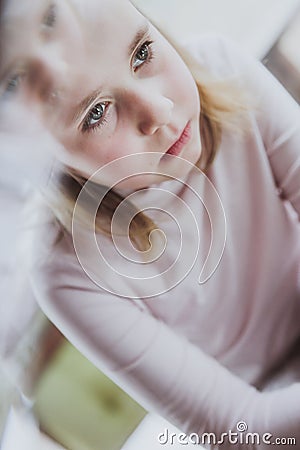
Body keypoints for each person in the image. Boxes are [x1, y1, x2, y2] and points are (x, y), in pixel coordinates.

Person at [0, 0, 299, 448]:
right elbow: (242, 428)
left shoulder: (221, 66)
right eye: (96, 113)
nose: (158, 111)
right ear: (54, 162)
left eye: (141, 53)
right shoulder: (65, 270)